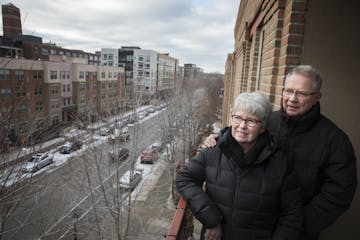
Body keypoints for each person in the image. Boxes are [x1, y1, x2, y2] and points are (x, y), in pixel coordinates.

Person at [202, 65, 357, 240]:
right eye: (288, 91)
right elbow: (238, 131)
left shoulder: (335, 141)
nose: (292, 99)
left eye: (301, 93)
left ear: (316, 98)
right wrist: (218, 137)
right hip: (254, 230)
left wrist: (296, 226)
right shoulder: (267, 121)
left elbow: (338, 194)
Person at [177, 92, 303, 240]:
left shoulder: (279, 162)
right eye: (238, 118)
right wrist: (211, 219)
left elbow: (292, 213)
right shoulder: (213, 151)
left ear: (262, 126)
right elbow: (185, 179)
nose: (242, 126)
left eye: (251, 121)